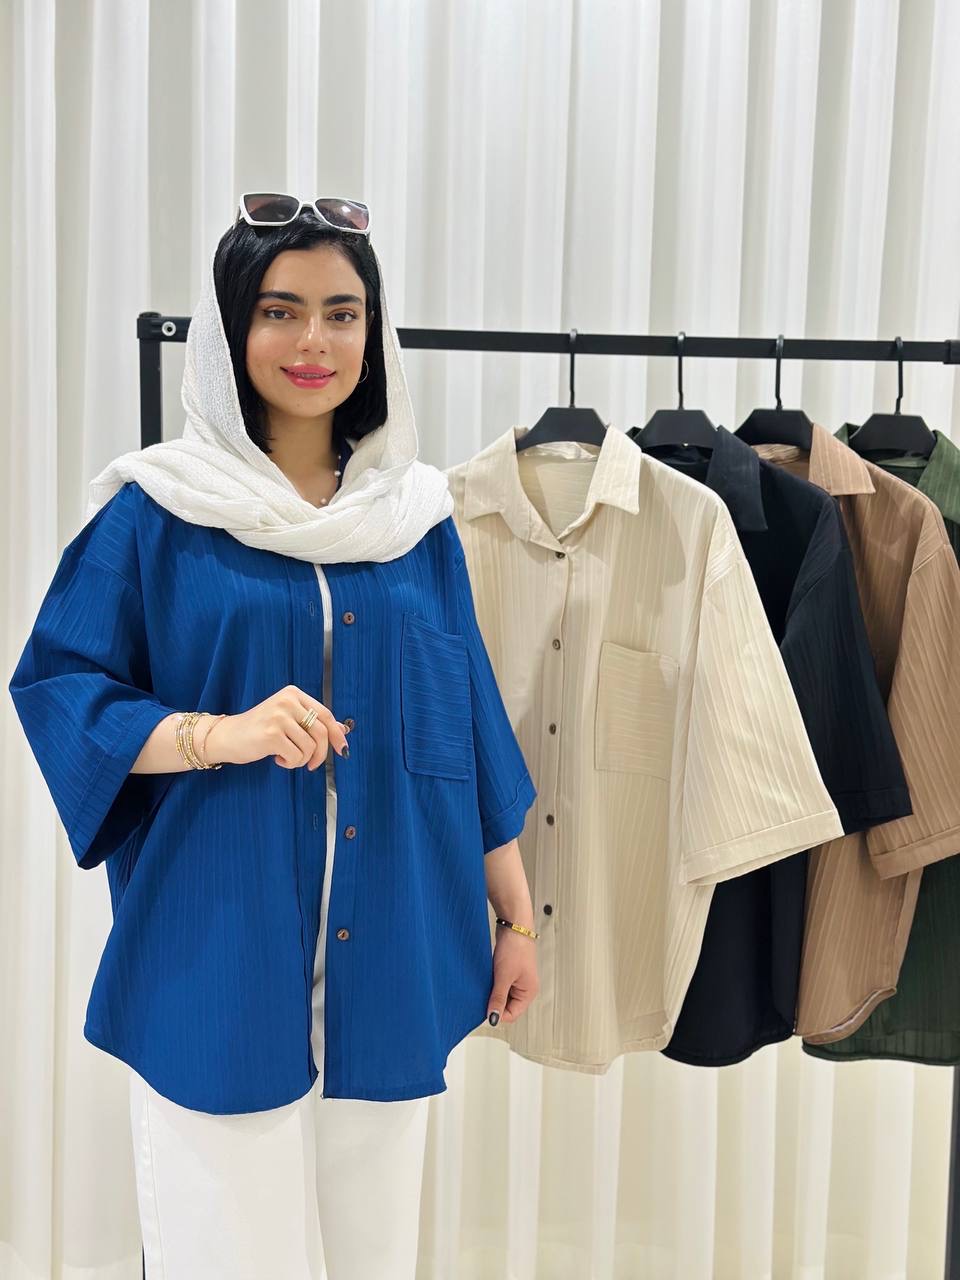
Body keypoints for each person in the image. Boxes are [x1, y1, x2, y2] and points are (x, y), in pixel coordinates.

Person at [8, 195, 540, 1279]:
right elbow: (61, 687)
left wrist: (519, 917)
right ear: (228, 330)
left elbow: (466, 722)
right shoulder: (158, 512)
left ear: (374, 333)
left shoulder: (416, 520)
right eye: (279, 310)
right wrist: (221, 733)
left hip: (391, 954)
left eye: (342, 313)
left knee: (373, 1260)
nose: (313, 343)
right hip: (217, 951)